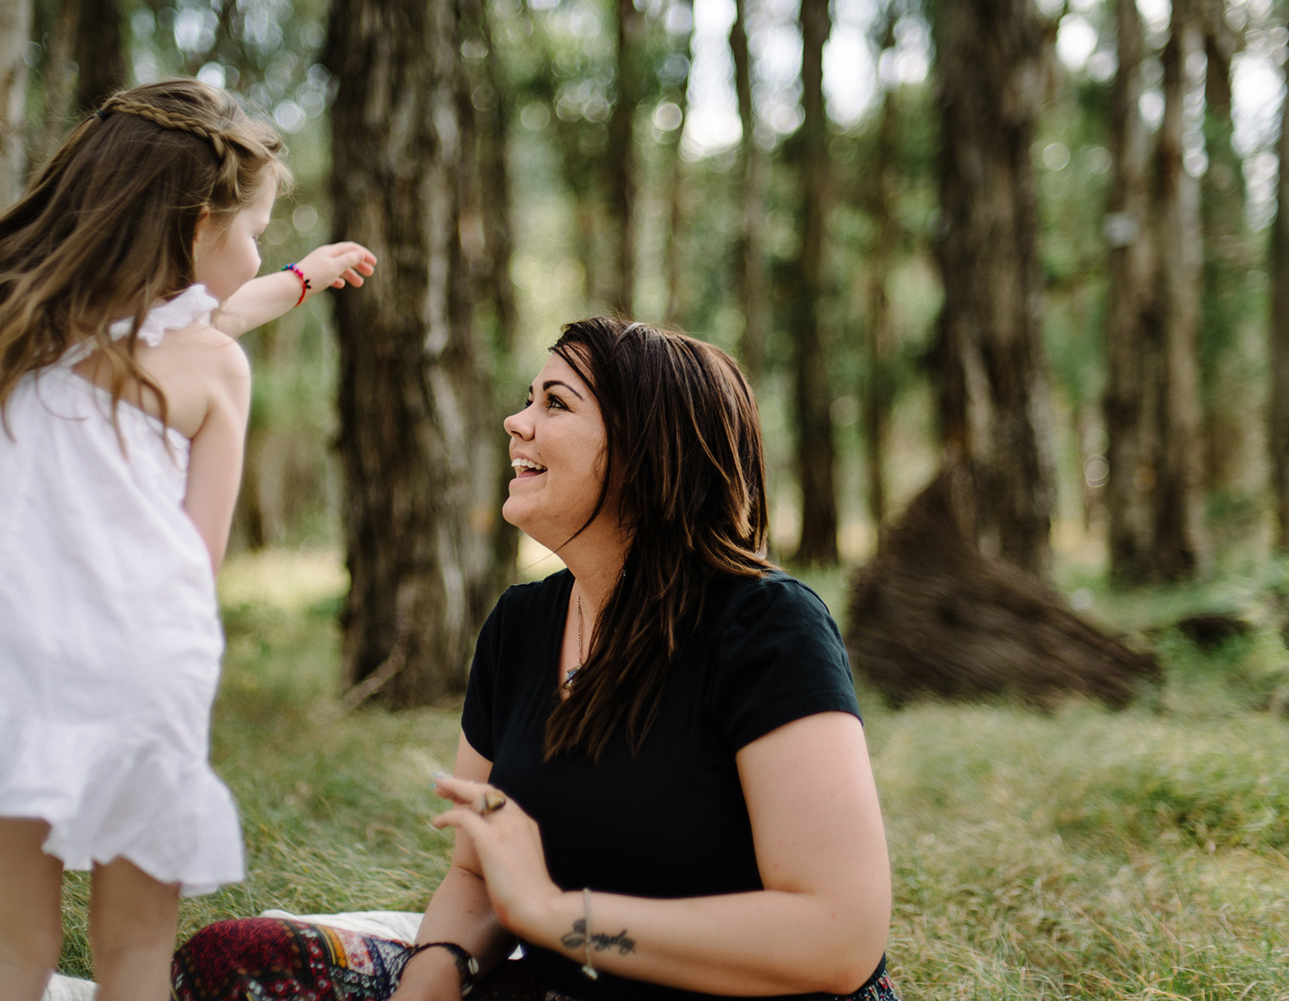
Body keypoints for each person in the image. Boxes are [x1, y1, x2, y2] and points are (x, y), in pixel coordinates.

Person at [0, 78, 376, 1001]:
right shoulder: (212, 369)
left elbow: (201, 312)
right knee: (135, 958)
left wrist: (298, 278)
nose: (261, 247)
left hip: (9, 676)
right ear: (197, 229)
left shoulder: (17, 330)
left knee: (8, 957)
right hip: (137, 685)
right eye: (256, 228)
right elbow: (198, 558)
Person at [171, 318, 901, 1001]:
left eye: (556, 403)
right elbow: (474, 874)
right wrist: (430, 980)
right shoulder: (521, 626)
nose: (517, 423)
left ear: (648, 449)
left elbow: (840, 933)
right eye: (528, 399)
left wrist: (558, 914)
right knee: (234, 961)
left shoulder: (767, 627)